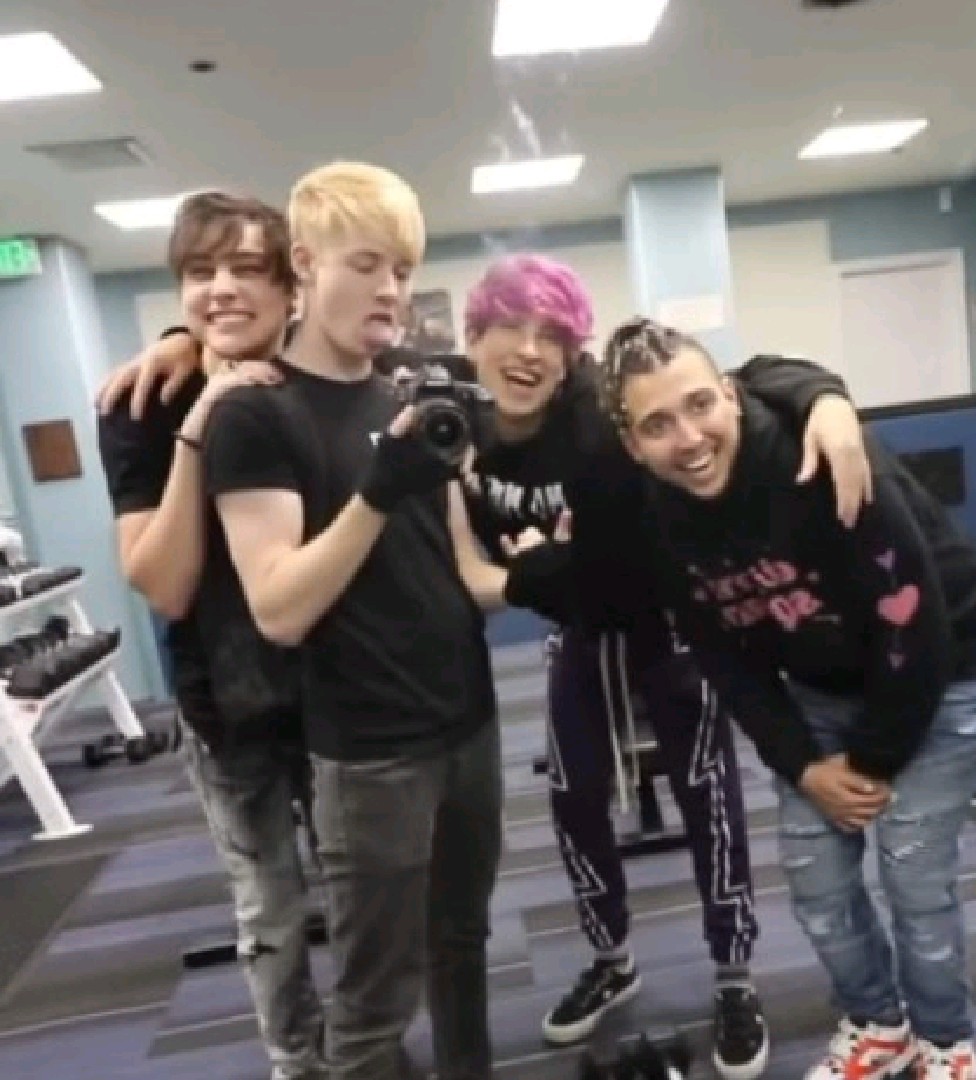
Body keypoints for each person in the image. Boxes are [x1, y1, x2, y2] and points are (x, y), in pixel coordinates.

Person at [458, 255, 872, 1078]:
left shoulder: (596, 416)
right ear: (475, 337)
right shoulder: (461, 418)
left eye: (550, 335)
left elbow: (750, 378)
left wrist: (828, 398)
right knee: (574, 796)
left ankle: (734, 974)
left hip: (672, 623)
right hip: (580, 632)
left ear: (573, 351)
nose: (529, 350)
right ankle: (611, 960)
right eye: (510, 328)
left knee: (707, 792)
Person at [192, 162, 559, 1080]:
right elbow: (278, 607)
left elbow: (462, 569)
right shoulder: (255, 413)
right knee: (373, 1004)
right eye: (367, 264)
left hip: (468, 721)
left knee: (462, 943)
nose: (391, 288)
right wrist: (376, 491)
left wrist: (545, 577)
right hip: (369, 754)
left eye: (401, 268)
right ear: (305, 264)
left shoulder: (410, 392)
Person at [594, 318, 976, 1080]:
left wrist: (871, 763)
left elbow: (915, 627)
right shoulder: (657, 520)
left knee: (913, 872)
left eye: (699, 405)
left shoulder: (819, 459)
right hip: (824, 683)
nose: (688, 438)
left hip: (949, 665)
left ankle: (945, 1042)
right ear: (632, 443)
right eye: (657, 424)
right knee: (814, 877)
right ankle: (877, 1024)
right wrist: (804, 766)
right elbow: (723, 658)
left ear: (730, 395)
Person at [96, 191, 326, 1080]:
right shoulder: (144, 405)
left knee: (365, 892)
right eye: (200, 272)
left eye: (246, 269)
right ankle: (297, 1063)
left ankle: (367, 1049)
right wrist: (200, 426)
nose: (222, 288)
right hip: (225, 702)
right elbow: (164, 584)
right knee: (270, 909)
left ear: (289, 287)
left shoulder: (322, 381)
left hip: (339, 690)